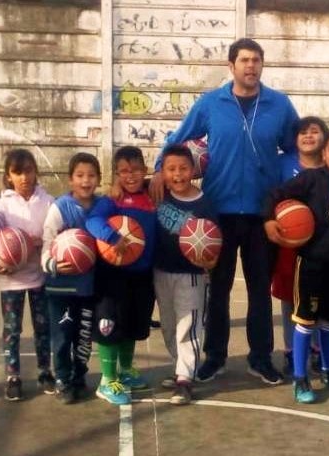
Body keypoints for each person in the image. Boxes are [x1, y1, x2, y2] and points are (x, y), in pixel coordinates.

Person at [151, 38, 299, 385]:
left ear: (262, 65)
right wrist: (159, 168)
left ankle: (260, 358)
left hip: (263, 213)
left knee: (260, 290)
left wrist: (296, 186)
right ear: (231, 66)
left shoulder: (279, 105)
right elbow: (179, 139)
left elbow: (295, 148)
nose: (251, 66)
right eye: (244, 60)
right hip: (218, 213)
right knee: (217, 289)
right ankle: (214, 357)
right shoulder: (211, 103)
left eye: (256, 60)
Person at [263, 129, 329, 404]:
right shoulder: (310, 178)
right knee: (306, 320)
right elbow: (274, 194)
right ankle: (300, 377)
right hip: (310, 260)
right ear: (324, 153)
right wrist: (269, 219)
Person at [85, 146, 156, 406]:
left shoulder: (152, 197)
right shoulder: (111, 200)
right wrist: (112, 237)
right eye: (124, 171)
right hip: (113, 275)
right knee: (110, 326)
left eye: (135, 170)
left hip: (142, 275)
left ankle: (125, 370)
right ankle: (107, 380)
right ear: (116, 174)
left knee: (133, 325)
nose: (130, 175)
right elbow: (92, 221)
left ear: (145, 171)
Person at [153, 145, 218, 405]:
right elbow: (128, 183)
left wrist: (209, 261)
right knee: (169, 325)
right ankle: (180, 366)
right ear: (162, 172)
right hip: (161, 271)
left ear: (193, 170)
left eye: (183, 168)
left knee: (188, 325)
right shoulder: (158, 193)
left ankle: (185, 378)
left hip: (191, 274)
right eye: (171, 169)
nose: (177, 174)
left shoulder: (204, 204)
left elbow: (214, 243)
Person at [0, 149, 55, 401]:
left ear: (35, 171)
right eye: (17, 172)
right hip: (12, 279)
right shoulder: (2, 206)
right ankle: (13, 376)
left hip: (40, 276)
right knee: (12, 330)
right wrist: (0, 261)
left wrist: (39, 242)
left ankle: (45, 372)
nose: (24, 177)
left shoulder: (47, 201)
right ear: (9, 176)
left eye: (28, 171)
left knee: (43, 328)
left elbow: (54, 235)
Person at [40, 152, 100, 404]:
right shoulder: (60, 207)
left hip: (88, 287)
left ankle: (79, 377)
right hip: (61, 288)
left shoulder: (102, 206)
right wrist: (53, 264)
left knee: (83, 337)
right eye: (80, 175)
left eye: (91, 175)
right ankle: (63, 380)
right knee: (62, 337)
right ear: (70, 179)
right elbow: (46, 245)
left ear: (99, 179)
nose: (86, 181)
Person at [273, 116, 328, 377]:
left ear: (325, 137)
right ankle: (291, 350)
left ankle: (317, 349)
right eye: (303, 132)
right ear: (294, 139)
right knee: (289, 298)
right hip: (290, 242)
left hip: (322, 242)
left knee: (319, 296)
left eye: (314, 131)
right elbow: (270, 194)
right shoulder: (282, 163)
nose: (308, 136)